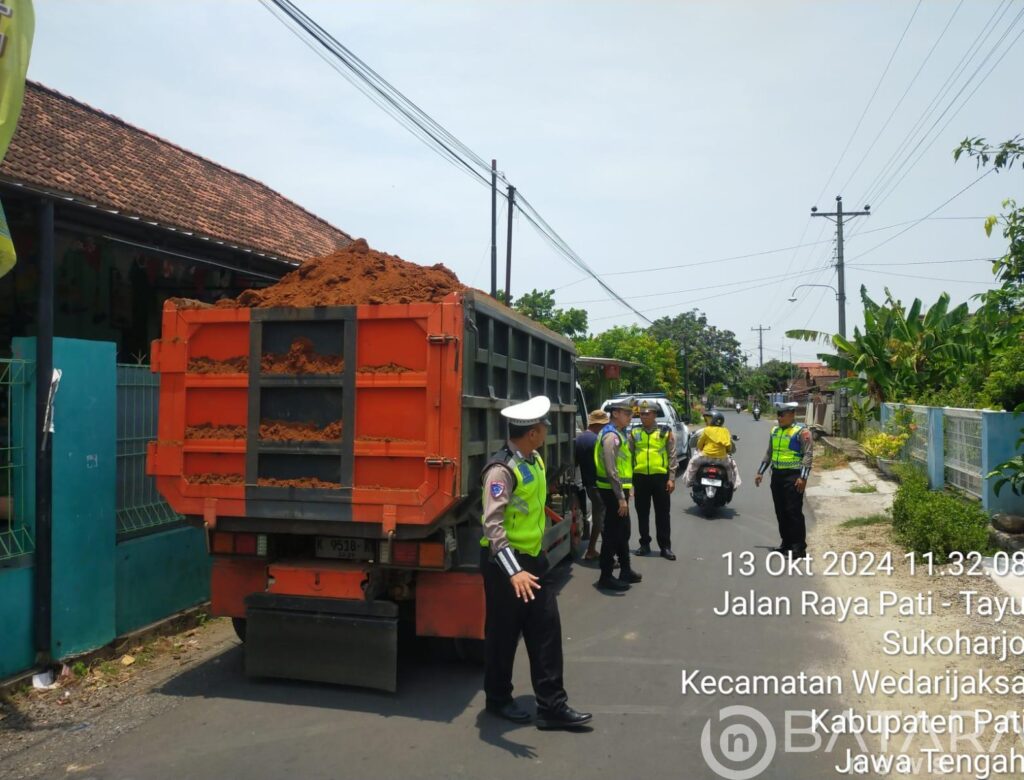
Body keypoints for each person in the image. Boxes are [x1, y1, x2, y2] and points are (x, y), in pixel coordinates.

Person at [479, 395, 592, 730]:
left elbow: (532, 504)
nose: (546, 430)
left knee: (546, 631)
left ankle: (552, 707)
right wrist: (514, 572)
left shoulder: (535, 460)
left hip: (534, 561)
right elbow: (493, 525)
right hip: (505, 567)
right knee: (503, 634)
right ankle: (497, 699)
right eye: (543, 426)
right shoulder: (501, 471)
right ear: (531, 433)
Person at [594, 396, 642, 592]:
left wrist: (628, 489)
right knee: (613, 534)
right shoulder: (610, 436)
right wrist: (620, 497)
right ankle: (605, 576)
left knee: (624, 531)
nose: (630, 416)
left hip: (618, 490)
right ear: (615, 414)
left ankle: (625, 569)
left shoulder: (619, 434)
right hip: (611, 492)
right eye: (627, 413)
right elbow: (611, 469)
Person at [754, 402, 814, 558]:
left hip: (793, 476)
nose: (779, 417)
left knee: (793, 511)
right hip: (777, 476)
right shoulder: (775, 431)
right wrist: (760, 472)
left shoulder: (802, 431)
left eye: (782, 414)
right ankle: (786, 543)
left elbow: (808, 455)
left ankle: (798, 547)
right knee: (780, 511)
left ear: (791, 414)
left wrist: (803, 477)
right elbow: (769, 453)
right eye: (778, 414)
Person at [631, 400, 678, 560]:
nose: (643, 416)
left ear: (654, 415)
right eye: (641, 414)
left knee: (663, 514)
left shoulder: (665, 431)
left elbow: (672, 455)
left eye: (647, 413)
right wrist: (629, 483)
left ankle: (665, 547)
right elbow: (629, 456)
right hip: (640, 478)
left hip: (660, 478)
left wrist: (671, 478)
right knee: (642, 513)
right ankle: (644, 543)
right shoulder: (634, 432)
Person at [577, 409, 609, 561]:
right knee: (603, 520)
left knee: (597, 518)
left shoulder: (580, 439)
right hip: (599, 485)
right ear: (599, 424)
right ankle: (608, 558)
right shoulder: (597, 440)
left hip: (589, 485)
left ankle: (591, 550)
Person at [683, 411, 741, 488]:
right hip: (722, 459)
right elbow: (729, 447)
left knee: (692, 463)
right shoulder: (726, 431)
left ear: (712, 420)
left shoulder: (706, 430)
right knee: (731, 468)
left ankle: (689, 481)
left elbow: (699, 445)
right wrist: (726, 451)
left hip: (705, 457)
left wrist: (701, 449)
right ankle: (732, 484)